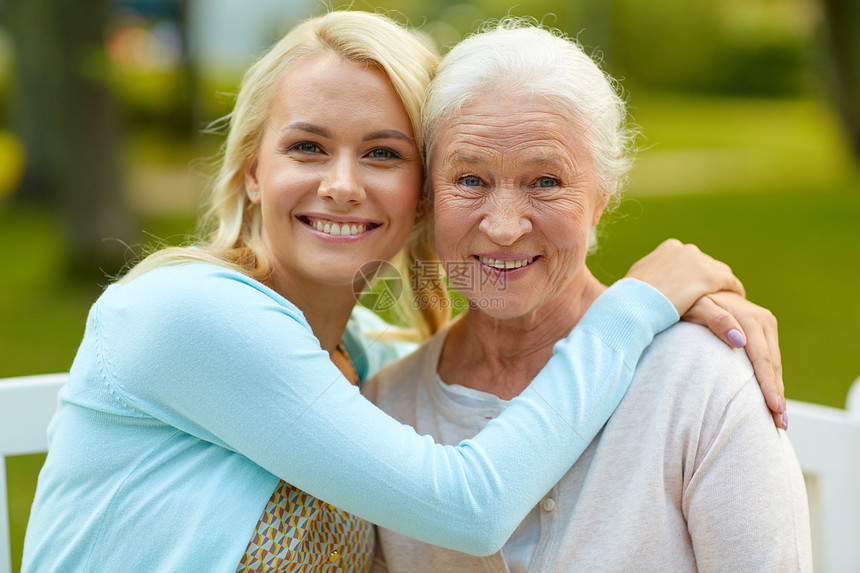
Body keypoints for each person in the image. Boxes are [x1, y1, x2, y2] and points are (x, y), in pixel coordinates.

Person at [22, 11, 785, 573]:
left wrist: (686, 308)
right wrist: (638, 304)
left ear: (419, 192)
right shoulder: (187, 314)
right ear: (252, 167)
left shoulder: (359, 362)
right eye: (307, 146)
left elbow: (493, 351)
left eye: (382, 153)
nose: (343, 185)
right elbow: (469, 507)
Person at [364, 20, 810, 573]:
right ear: (428, 195)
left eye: (545, 181)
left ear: (602, 197)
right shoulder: (387, 408)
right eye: (471, 180)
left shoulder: (702, 381)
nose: (504, 227)